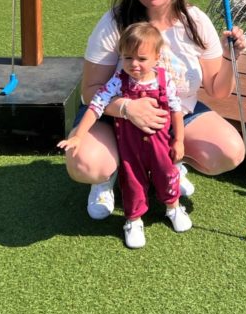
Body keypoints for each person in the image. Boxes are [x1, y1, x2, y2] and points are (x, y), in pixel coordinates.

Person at [63, 0, 246, 224]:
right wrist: (128, 108)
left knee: (229, 152)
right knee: (85, 163)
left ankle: (169, 163)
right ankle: (107, 177)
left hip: (176, 114)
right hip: (114, 117)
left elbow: (217, 90)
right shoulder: (115, 22)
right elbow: (90, 93)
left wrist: (229, 57)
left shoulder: (195, 21)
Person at [59, 22, 190, 248]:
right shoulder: (118, 81)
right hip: (130, 147)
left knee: (166, 173)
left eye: (142, 58)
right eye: (128, 58)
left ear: (157, 57)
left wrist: (178, 140)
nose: (134, 64)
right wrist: (79, 135)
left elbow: (176, 108)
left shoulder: (163, 79)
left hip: (160, 145)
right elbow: (96, 105)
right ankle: (133, 220)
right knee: (132, 182)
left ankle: (173, 207)